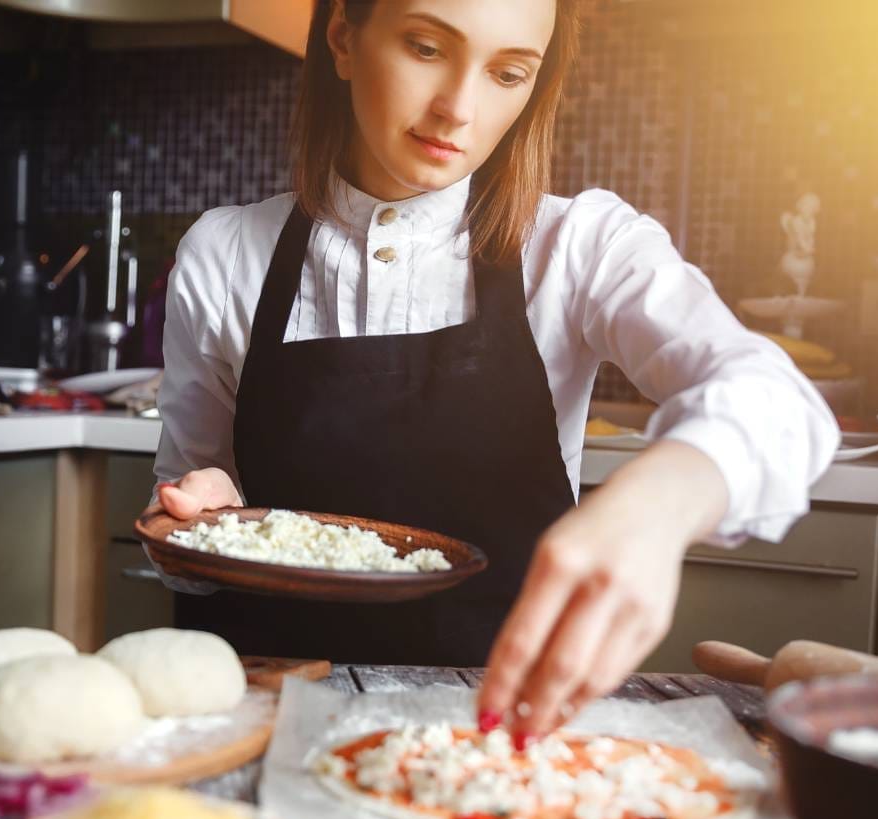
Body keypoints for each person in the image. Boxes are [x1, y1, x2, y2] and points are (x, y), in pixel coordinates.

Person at [148, 0, 837, 746]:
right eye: (425, 47)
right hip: (270, 726)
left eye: (508, 73)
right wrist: (201, 525)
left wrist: (662, 504)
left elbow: (777, 402)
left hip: (499, 737)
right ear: (343, 36)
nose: (459, 108)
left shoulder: (581, 246)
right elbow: (184, 546)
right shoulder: (226, 254)